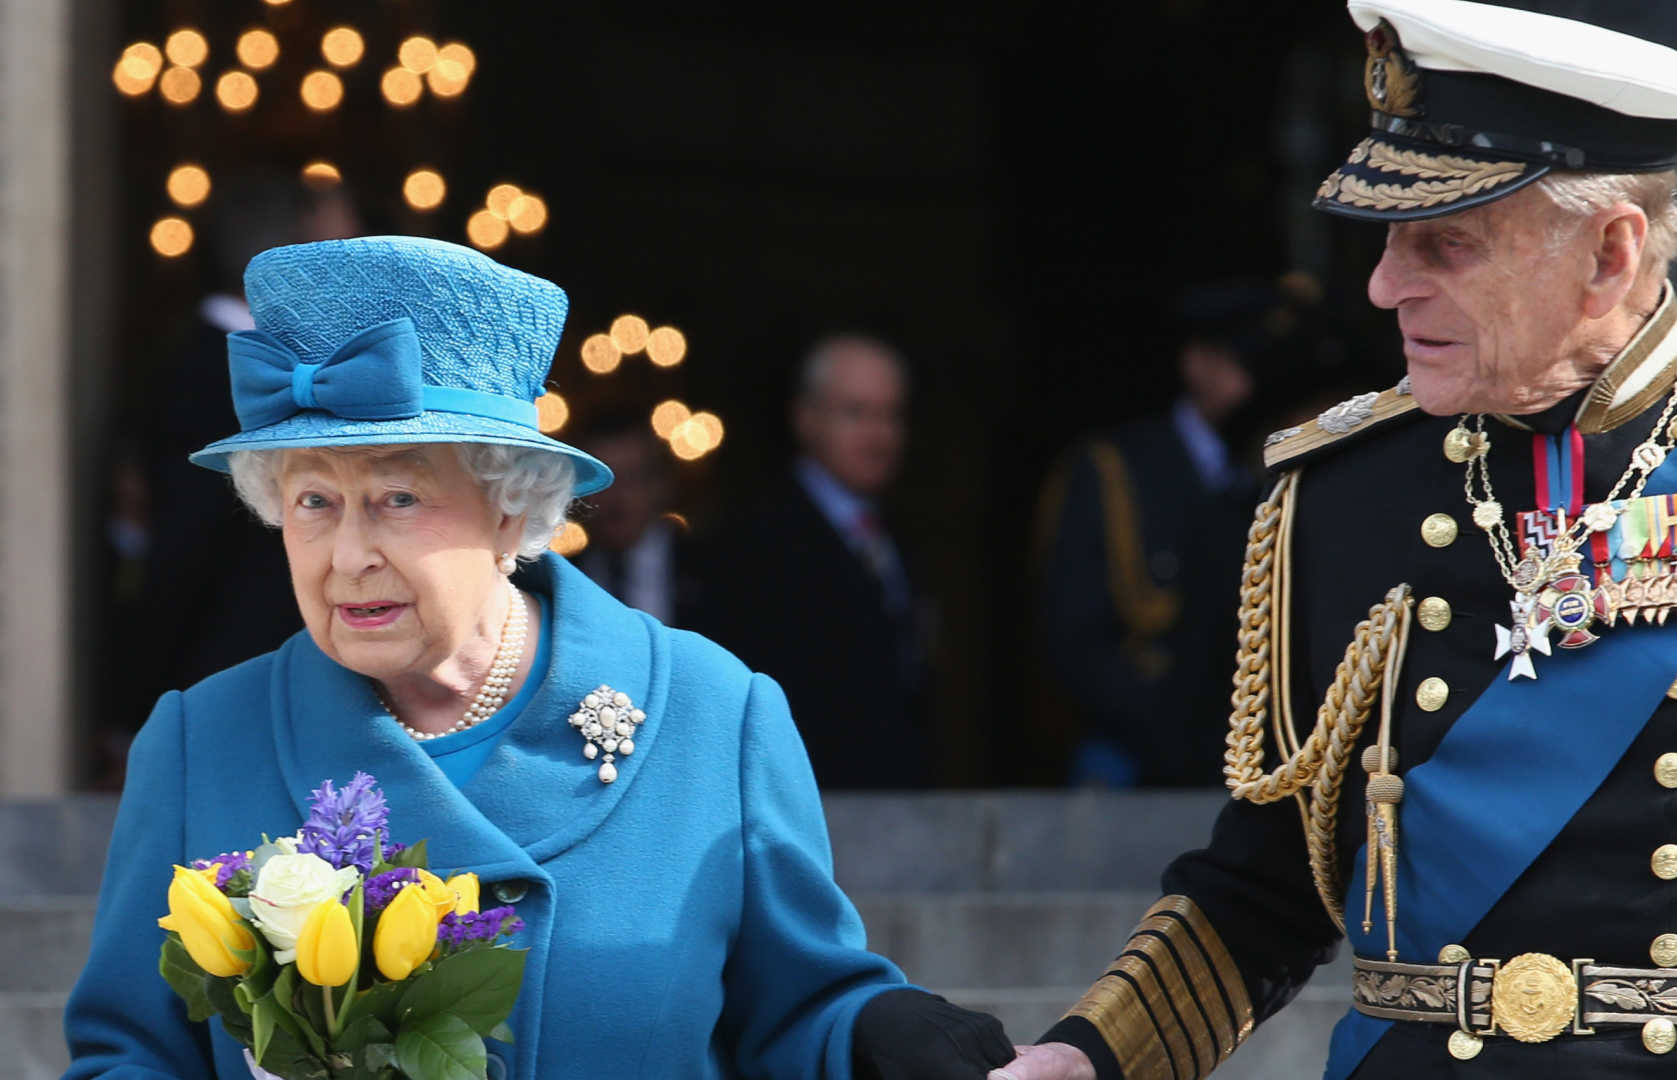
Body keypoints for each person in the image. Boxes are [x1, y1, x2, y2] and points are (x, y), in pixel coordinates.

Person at [980, 2, 1677, 1077]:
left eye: (1448, 244)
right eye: (1388, 240)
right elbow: (1265, 890)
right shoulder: (1339, 494)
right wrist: (1089, 1057)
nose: (1385, 286)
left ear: (1609, 253)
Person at [61, 237, 1015, 1078]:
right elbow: (129, 1056)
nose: (348, 556)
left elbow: (800, 1011)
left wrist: (875, 1030)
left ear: (513, 508)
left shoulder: (713, 714)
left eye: (396, 498)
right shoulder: (199, 743)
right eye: (314, 502)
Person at [129, 173, 363, 718]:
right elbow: (181, 554)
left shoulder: (264, 365)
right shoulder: (208, 376)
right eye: (343, 247)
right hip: (233, 687)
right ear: (294, 251)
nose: (356, 270)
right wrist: (144, 705)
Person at [1037, 283, 1282, 786]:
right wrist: (1185, 735)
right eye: (1244, 363)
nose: (1262, 383)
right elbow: (1076, 641)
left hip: (1259, 762)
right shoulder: (1115, 470)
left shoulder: (1275, 475)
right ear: (1198, 364)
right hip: (1137, 753)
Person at [688, 334, 928, 789]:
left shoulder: (894, 539)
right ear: (806, 418)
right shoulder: (755, 545)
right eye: (856, 413)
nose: (879, 435)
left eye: (892, 415)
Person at [568, 417, 683, 623]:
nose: (618, 498)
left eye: (634, 479)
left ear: (662, 484)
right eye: (604, 482)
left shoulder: (724, 571)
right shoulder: (561, 581)